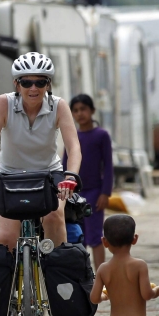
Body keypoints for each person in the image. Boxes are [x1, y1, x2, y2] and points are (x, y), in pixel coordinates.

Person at [0, 52, 81, 251]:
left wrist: (71, 176)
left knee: (54, 218)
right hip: (9, 175)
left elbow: (73, 146)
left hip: (49, 174)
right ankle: (8, 281)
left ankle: (56, 275)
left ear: (48, 84)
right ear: (17, 84)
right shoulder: (3, 103)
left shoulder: (59, 106)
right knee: (5, 238)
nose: (33, 88)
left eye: (40, 83)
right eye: (26, 82)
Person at [63, 94, 113, 269]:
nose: (79, 113)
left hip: (94, 192)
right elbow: (65, 164)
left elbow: (108, 166)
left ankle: (102, 276)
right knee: (78, 236)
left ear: (92, 110)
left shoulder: (101, 135)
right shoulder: (72, 137)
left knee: (95, 236)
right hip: (75, 193)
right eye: (75, 110)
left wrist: (105, 193)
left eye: (83, 109)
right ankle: (83, 276)